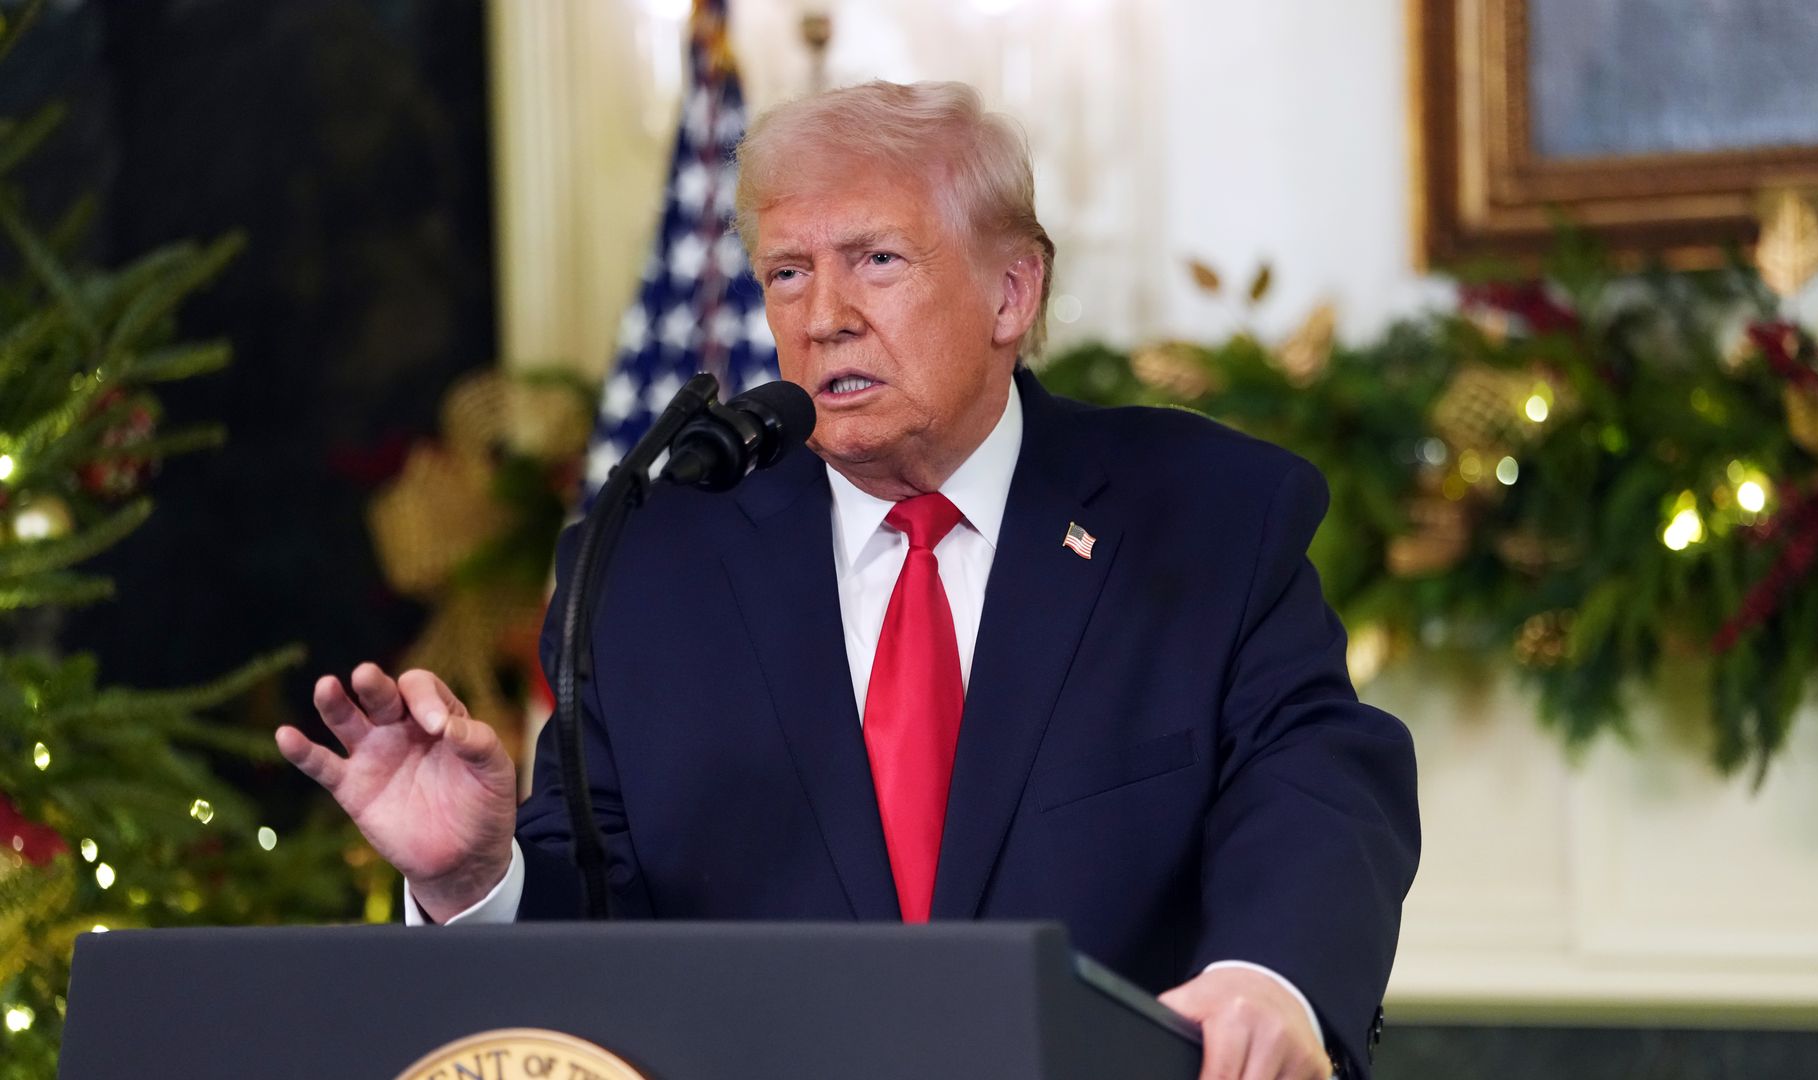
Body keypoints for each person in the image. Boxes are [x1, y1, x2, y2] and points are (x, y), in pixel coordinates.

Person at [278, 80, 1419, 1080]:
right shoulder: (653, 563)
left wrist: (1274, 981)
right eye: (786, 273)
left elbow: (1318, 778)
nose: (824, 318)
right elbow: (601, 927)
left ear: (1012, 295)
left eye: (876, 260)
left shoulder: (1201, 515)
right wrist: (479, 876)